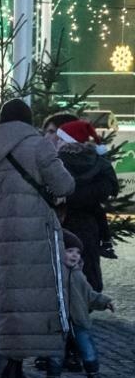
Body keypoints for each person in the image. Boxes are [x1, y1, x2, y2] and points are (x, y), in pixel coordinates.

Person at [0, 98, 75, 378]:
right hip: (34, 231)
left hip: (3, 231)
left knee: (10, 297)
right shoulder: (39, 145)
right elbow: (65, 185)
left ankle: (11, 371)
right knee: (30, 298)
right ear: (28, 120)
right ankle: (5, 375)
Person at [55, 119, 118, 292]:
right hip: (90, 223)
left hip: (63, 220)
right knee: (87, 263)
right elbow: (105, 193)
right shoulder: (100, 164)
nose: (57, 142)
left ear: (68, 142)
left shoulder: (58, 162)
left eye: (60, 139)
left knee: (62, 268)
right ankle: (88, 301)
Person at [51, 231, 113, 378]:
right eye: (70, 251)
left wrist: (104, 301)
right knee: (55, 352)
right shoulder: (56, 273)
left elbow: (89, 295)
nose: (74, 255)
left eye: (77, 252)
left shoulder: (79, 274)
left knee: (88, 350)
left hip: (79, 320)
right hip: (59, 320)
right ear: (60, 252)